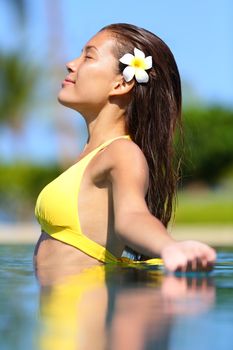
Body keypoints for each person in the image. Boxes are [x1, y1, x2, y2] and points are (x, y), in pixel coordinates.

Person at [34, 23, 216, 274]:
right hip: (64, 310)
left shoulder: (122, 153)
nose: (71, 63)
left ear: (121, 84)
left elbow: (132, 216)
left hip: (83, 309)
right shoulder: (90, 155)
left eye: (88, 56)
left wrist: (169, 247)